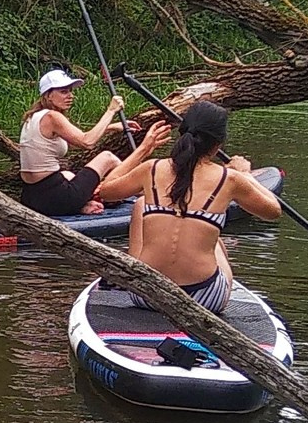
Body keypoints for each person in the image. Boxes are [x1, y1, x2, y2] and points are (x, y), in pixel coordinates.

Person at [119, 100, 283, 314]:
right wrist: (245, 175)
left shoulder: (152, 168)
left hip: (145, 294)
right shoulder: (230, 178)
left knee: (141, 205)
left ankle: (139, 272)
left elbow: (105, 190)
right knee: (214, 241)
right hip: (204, 300)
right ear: (218, 144)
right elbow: (273, 211)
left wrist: (144, 150)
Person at [17, 69, 131, 216]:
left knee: (68, 175)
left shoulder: (34, 116)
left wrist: (110, 128)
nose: (70, 96)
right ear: (48, 95)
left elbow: (73, 139)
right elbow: (87, 142)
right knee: (107, 157)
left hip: (31, 197)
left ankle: (84, 204)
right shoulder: (52, 117)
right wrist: (111, 110)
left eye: (70, 91)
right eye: (64, 92)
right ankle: (138, 187)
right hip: (55, 197)